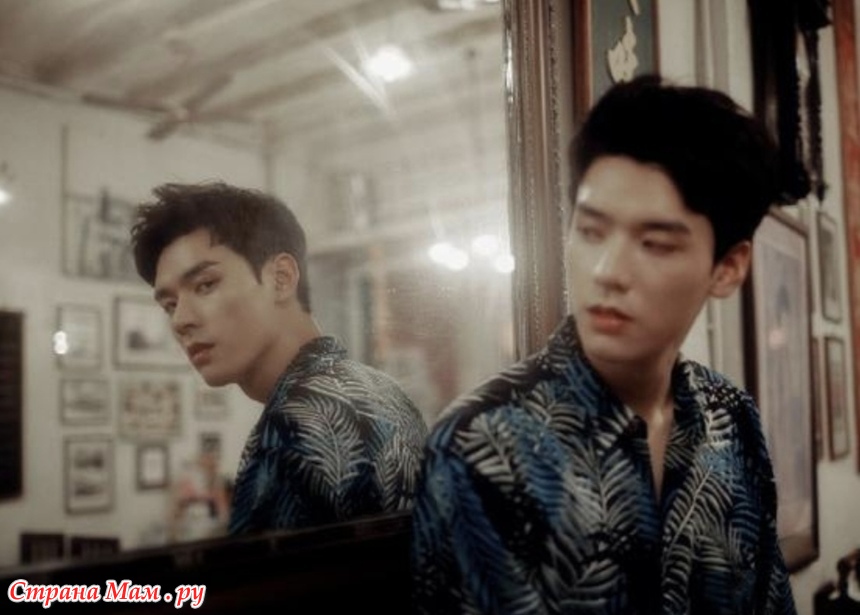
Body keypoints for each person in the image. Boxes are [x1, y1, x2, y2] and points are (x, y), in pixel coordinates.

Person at [411, 75, 796, 614]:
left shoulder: (730, 416)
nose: (608, 271)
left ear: (728, 267)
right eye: (591, 232)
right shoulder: (483, 445)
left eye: (655, 244)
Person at [130, 182, 428, 534]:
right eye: (170, 305)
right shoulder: (382, 388)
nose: (180, 320)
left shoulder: (293, 423)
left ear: (281, 278)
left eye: (205, 285)